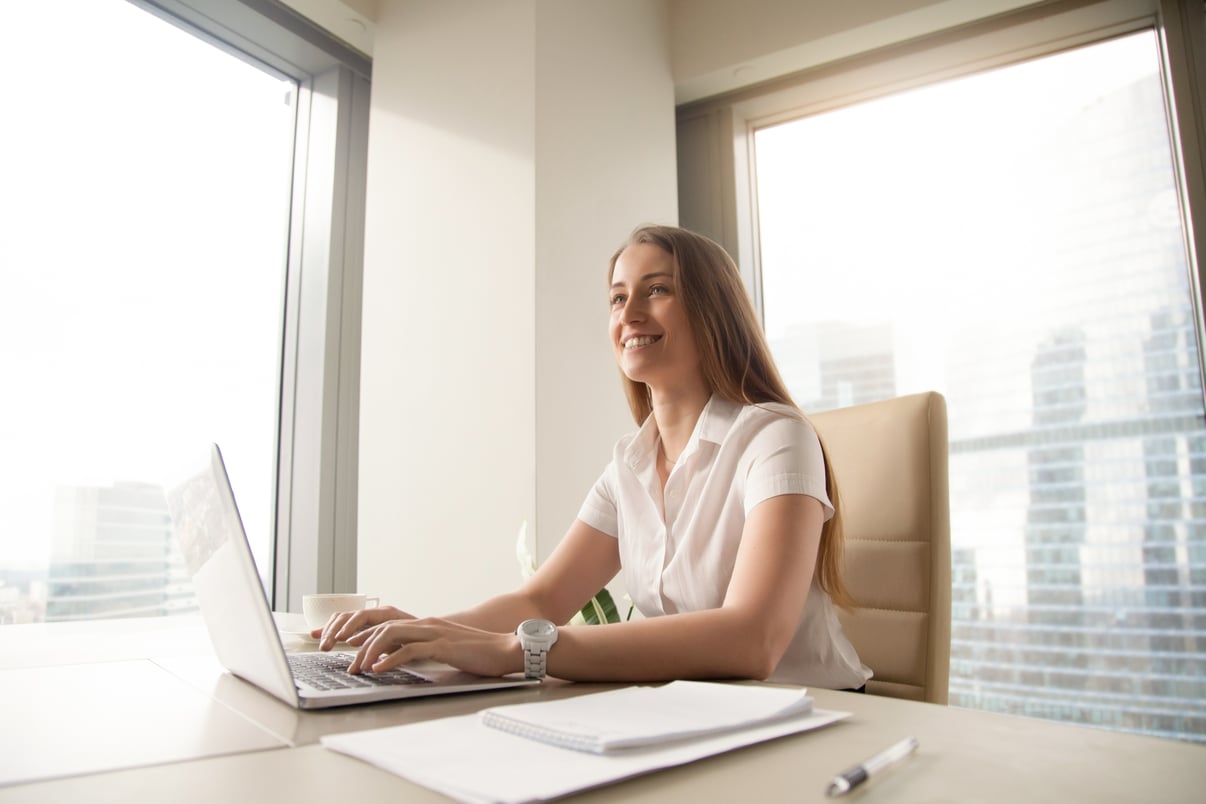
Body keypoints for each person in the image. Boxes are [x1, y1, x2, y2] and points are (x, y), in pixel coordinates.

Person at [316, 224, 870, 690]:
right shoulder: (628, 466)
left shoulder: (774, 438)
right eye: (617, 296)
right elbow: (544, 596)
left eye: (656, 290)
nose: (629, 312)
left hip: (814, 717)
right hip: (695, 718)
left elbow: (753, 638)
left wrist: (522, 652)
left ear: (712, 311)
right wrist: (427, 633)